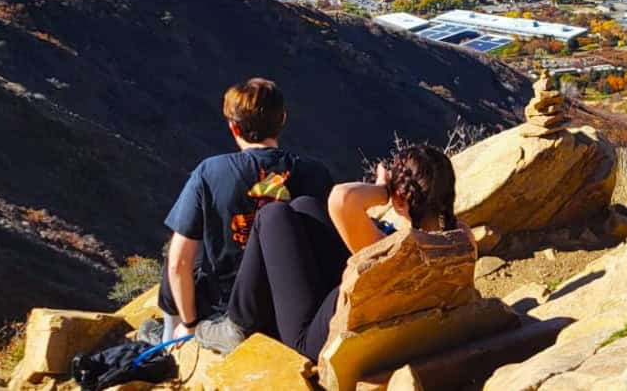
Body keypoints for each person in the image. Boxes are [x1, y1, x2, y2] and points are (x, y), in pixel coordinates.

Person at [199, 144, 464, 358]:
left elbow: (342, 199)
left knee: (272, 215)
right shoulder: (460, 239)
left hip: (309, 340)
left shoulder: (392, 252)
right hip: (350, 309)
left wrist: (384, 189)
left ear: (402, 199)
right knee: (304, 207)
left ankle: (237, 325)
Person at [158, 79, 333, 343]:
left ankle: (172, 338)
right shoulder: (314, 172)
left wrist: (190, 323)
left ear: (233, 127)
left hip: (231, 312)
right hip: (299, 305)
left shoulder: (209, 172)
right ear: (282, 119)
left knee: (179, 249)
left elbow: (178, 263)